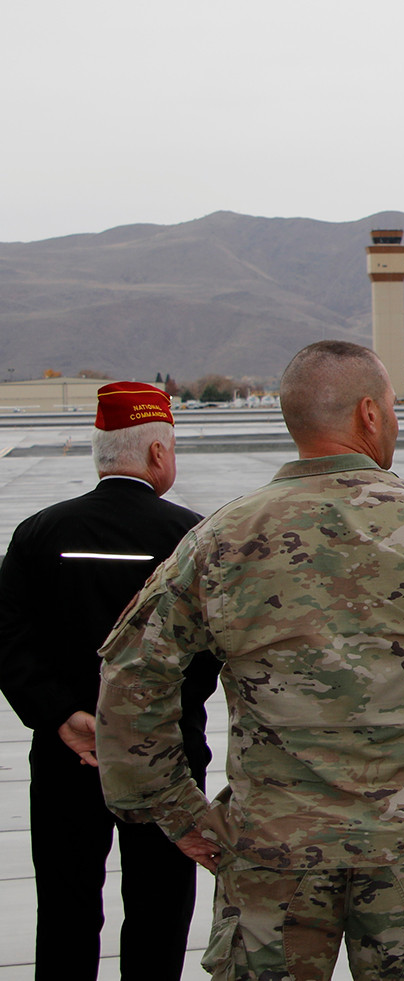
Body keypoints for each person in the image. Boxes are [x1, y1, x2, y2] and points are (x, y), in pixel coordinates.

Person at [93, 341, 404, 980]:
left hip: (271, 860)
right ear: (369, 414)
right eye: (393, 408)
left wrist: (177, 811)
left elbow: (130, 681)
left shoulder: (218, 540)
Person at [0, 380, 216, 981]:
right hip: (164, 760)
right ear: (156, 453)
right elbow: (211, 651)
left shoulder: (39, 533)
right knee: (160, 908)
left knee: (67, 908)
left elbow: (11, 639)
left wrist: (63, 716)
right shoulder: (191, 539)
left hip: (68, 758)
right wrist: (144, 725)